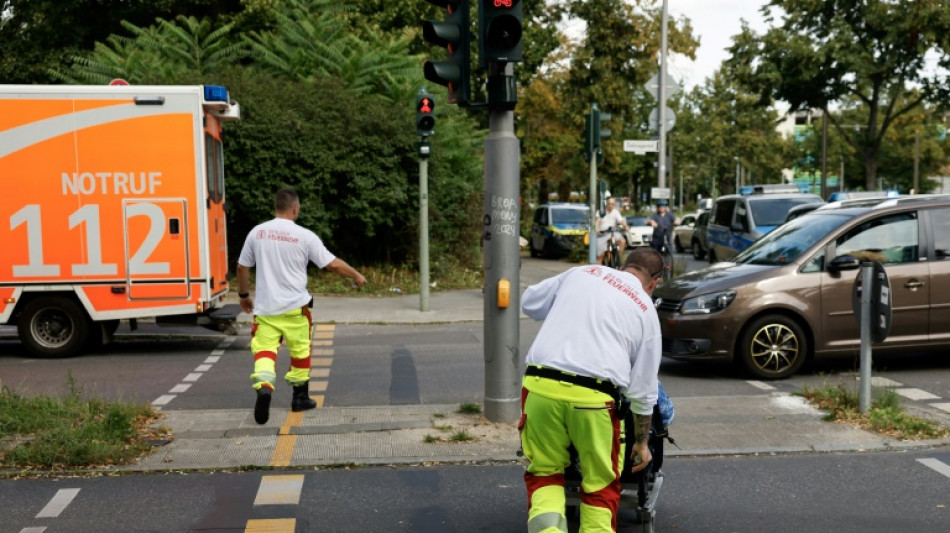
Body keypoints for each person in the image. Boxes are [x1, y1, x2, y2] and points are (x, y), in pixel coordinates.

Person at [519, 247, 665, 533]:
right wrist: (641, 443)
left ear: (624, 266)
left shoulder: (582, 272)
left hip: (539, 387)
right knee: (600, 486)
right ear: (655, 281)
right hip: (595, 399)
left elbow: (529, 302)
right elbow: (644, 391)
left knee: (545, 474)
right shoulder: (646, 310)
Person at [237, 188, 366, 425]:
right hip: (296, 309)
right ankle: (300, 398)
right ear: (295, 208)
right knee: (300, 351)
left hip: (266, 310)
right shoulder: (304, 236)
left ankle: (265, 387)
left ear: (275, 207)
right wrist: (356, 275)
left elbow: (242, 267)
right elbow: (332, 265)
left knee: (264, 350)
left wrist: (244, 295)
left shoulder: (257, 233)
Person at [595, 197, 629, 264]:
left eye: (613, 204)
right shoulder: (601, 211)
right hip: (602, 234)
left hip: (613, 233)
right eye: (609, 203)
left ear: (615, 205)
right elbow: (597, 221)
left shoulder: (615, 212)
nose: (611, 205)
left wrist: (626, 226)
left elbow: (621, 221)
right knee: (600, 256)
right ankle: (598, 270)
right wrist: (597, 229)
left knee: (622, 241)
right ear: (606, 204)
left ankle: (618, 258)